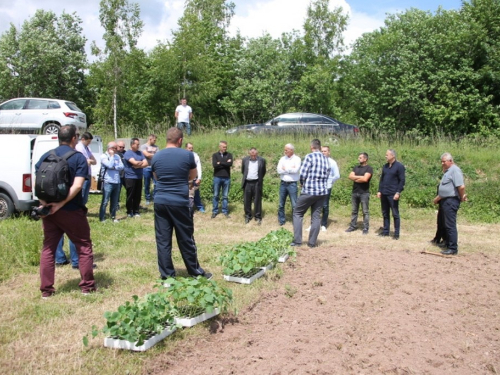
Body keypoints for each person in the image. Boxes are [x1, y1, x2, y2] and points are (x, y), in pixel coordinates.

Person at [35, 125, 96, 298]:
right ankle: (87, 287)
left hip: (49, 211)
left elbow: (38, 184)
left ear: (58, 138)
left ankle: (46, 291)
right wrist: (61, 204)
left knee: (48, 248)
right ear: (74, 138)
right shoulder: (78, 158)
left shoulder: (46, 156)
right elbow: (77, 186)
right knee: (83, 246)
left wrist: (46, 205)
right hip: (72, 210)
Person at [151, 127, 212, 280]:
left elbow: (156, 176)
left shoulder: (156, 156)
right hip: (179, 201)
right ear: (180, 140)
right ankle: (195, 272)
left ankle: (166, 276)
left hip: (160, 201)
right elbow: (192, 176)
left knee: (163, 240)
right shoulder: (188, 155)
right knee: (186, 238)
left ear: (167, 139)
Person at [291, 139, 331, 248]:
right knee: (316, 217)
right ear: (320, 147)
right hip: (322, 192)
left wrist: (302, 183)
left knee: (298, 213)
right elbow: (328, 174)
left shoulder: (309, 157)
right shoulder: (326, 159)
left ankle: (298, 241)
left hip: (309, 190)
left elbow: (303, 173)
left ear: (311, 147)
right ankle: (312, 243)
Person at [433, 153, 467, 255]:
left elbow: (461, 187)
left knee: (450, 225)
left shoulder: (455, 170)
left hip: (451, 201)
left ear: (450, 161)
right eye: (442, 161)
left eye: (444, 161)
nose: (442, 163)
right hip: (445, 200)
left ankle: (453, 248)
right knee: (443, 223)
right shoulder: (448, 171)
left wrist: (461, 197)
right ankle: (447, 242)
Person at [377, 149, 406, 239]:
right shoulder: (385, 166)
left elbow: (402, 180)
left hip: (393, 194)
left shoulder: (399, 166)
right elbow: (382, 179)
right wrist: (379, 190)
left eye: (387, 155)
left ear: (393, 156)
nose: (386, 156)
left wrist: (398, 192)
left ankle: (396, 234)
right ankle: (386, 231)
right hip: (384, 193)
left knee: (395, 213)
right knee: (385, 213)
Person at [345, 152, 373, 235]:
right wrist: (360, 177)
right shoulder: (356, 167)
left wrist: (356, 178)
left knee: (365, 211)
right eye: (359, 157)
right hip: (355, 192)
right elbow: (350, 176)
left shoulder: (369, 168)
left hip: (364, 193)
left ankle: (365, 227)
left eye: (360, 157)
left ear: (365, 159)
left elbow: (365, 179)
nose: (359, 159)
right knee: (354, 211)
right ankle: (352, 226)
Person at [314, 146, 340, 231]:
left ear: (329, 152)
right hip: (317, 187)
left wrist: (330, 182)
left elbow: (337, 175)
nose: (323, 153)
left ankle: (323, 224)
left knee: (325, 206)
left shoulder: (332, 162)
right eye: (322, 151)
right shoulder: (317, 161)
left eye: (325, 151)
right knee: (315, 206)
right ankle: (313, 224)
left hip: (326, 187)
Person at [99, 142, 124, 222]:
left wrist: (114, 167)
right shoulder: (104, 156)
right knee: (105, 201)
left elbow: (122, 166)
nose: (117, 150)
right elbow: (109, 165)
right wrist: (112, 156)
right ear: (110, 149)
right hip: (108, 181)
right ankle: (102, 217)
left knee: (114, 201)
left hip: (117, 181)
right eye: (115, 148)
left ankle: (113, 217)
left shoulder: (117, 156)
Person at [277, 143, 301, 226]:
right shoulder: (282, 159)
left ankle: (296, 221)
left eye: (286, 150)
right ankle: (281, 220)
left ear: (291, 150)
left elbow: (296, 170)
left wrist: (285, 169)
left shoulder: (297, 159)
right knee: (281, 204)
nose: (285, 151)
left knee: (294, 204)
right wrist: (290, 169)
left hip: (292, 184)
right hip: (283, 183)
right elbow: (279, 170)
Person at [241, 147, 267, 224]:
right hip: (247, 182)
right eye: (252, 154)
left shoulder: (262, 160)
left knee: (257, 200)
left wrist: (259, 179)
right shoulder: (245, 160)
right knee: (247, 200)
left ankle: (258, 216)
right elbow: (243, 171)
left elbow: (263, 171)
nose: (253, 155)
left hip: (257, 183)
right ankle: (248, 216)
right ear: (249, 153)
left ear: (257, 153)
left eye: (255, 154)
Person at [123, 138, 148, 217]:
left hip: (139, 177)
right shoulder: (128, 153)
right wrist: (139, 163)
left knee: (138, 195)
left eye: (138, 144)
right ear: (132, 144)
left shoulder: (140, 153)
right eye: (137, 144)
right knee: (130, 194)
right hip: (130, 177)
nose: (138, 146)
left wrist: (137, 166)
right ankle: (129, 211)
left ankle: (136, 211)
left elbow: (146, 163)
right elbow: (133, 162)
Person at [211, 140, 233, 218]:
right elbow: (215, 165)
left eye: (226, 147)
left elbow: (230, 164)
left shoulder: (229, 155)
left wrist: (220, 162)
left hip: (226, 178)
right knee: (216, 195)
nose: (225, 148)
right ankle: (215, 211)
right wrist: (225, 163)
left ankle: (225, 211)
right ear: (219, 147)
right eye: (223, 147)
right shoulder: (215, 155)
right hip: (217, 177)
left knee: (225, 196)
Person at [75, 132, 96, 205]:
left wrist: (89, 161)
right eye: (88, 141)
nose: (89, 143)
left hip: (88, 174)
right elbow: (84, 162)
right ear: (83, 139)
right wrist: (88, 161)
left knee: (86, 195)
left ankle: (83, 210)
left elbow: (94, 161)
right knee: (82, 193)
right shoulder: (78, 147)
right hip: (82, 174)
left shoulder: (88, 148)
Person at [186, 142, 205, 213]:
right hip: (185, 178)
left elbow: (199, 167)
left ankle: (199, 207)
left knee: (196, 193)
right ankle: (187, 207)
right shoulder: (183, 155)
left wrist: (199, 177)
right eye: (189, 148)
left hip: (194, 178)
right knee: (185, 193)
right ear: (186, 148)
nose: (191, 149)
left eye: (192, 148)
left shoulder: (195, 155)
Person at [141, 134, 159, 205]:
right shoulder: (143, 146)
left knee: (156, 183)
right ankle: (147, 198)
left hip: (154, 168)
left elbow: (158, 156)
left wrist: (150, 155)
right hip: (146, 167)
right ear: (150, 139)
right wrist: (154, 155)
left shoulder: (156, 147)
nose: (155, 141)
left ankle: (155, 197)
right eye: (154, 140)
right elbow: (147, 155)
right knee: (147, 183)